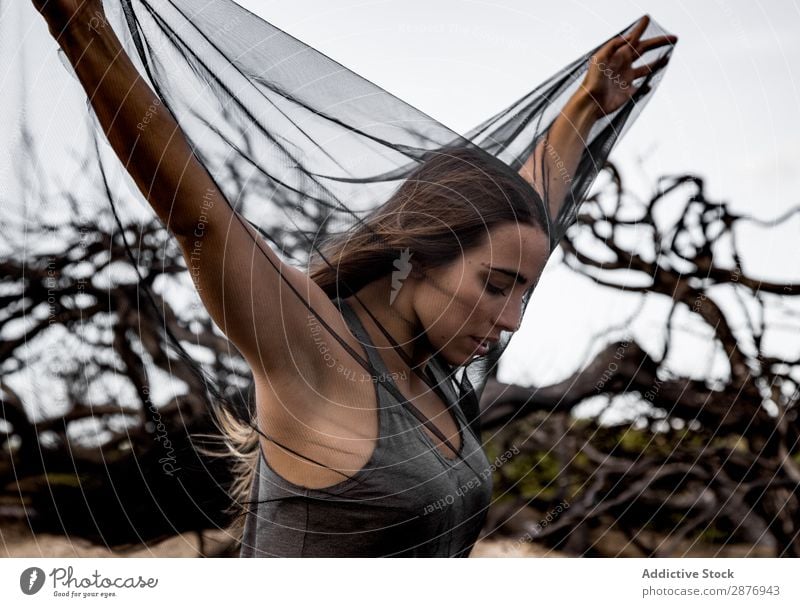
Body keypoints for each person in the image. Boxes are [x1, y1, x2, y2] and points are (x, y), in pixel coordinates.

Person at [30, 0, 677, 556]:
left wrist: (585, 107)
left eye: (524, 293)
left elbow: (529, 208)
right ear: (418, 257)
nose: (510, 321)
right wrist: (79, 25)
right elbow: (202, 221)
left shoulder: (438, 371)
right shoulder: (315, 350)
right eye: (494, 287)